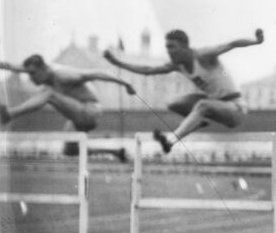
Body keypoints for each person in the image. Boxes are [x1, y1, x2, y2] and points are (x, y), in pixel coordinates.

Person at [103, 28, 264, 153]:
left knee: (202, 105)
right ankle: (199, 120)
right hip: (214, 104)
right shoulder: (178, 65)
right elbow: (147, 70)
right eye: (167, 48)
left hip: (235, 108)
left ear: (185, 47)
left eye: (173, 47)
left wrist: (256, 41)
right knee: (174, 103)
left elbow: (231, 44)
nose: (169, 52)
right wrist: (117, 62)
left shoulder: (203, 56)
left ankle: (170, 141)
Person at [0, 54, 135, 161]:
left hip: (90, 110)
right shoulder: (43, 73)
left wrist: (125, 84)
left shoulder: (63, 75)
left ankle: (10, 113)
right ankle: (115, 152)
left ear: (44, 68)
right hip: (77, 115)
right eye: (28, 74)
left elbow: (97, 73)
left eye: (33, 74)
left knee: (49, 94)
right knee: (70, 150)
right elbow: (8, 66)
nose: (31, 78)